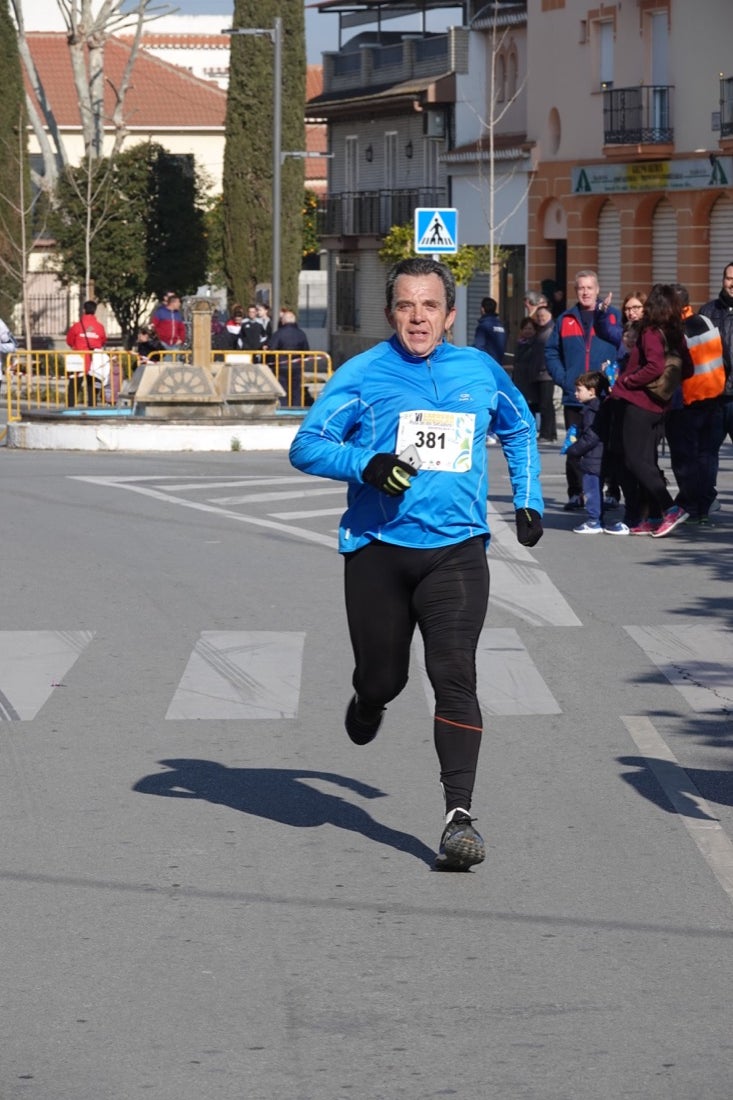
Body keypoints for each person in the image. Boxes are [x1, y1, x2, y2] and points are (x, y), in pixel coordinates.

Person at [289, 257, 544, 872]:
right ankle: (368, 699)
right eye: (406, 305)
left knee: (454, 674)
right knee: (386, 678)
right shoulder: (363, 372)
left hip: (457, 551)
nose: (418, 317)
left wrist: (529, 500)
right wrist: (365, 465)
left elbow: (521, 428)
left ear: (450, 315)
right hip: (378, 549)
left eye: (430, 306)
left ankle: (460, 817)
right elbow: (306, 445)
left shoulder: (478, 368)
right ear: (391, 314)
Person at [606, 283, 692, 538]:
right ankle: (654, 516)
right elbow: (688, 369)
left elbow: (654, 367)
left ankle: (669, 508)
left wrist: (627, 381)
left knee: (635, 461)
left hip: (639, 403)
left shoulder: (651, 331)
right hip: (660, 405)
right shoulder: (676, 332)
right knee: (648, 462)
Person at [545, 270, 621, 511]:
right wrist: (565, 379)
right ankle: (576, 492)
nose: (585, 292)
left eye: (589, 287)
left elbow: (624, 348)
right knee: (574, 444)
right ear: (575, 291)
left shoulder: (612, 316)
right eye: (581, 288)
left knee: (608, 444)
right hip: (574, 396)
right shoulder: (566, 319)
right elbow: (551, 352)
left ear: (597, 290)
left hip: (605, 396)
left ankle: (611, 491)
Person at [664, 284, 725, 526]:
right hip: (714, 398)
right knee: (705, 456)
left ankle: (690, 503)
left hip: (689, 402)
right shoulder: (706, 321)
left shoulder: (677, 331)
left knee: (685, 458)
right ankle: (703, 504)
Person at [699, 262, 733, 509]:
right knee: (706, 451)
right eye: (729, 278)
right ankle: (706, 498)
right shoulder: (708, 311)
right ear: (723, 280)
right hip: (714, 395)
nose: (732, 284)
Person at [565, 370, 611, 533]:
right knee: (595, 489)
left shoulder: (592, 411)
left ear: (592, 391)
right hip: (598, 457)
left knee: (591, 490)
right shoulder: (596, 407)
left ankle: (594, 521)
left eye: (579, 390)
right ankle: (598, 519)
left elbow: (591, 436)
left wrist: (574, 449)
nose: (576, 394)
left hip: (593, 458)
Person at [65, 299, 106, 407]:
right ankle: (92, 407)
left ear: (84, 310)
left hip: (78, 360)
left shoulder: (76, 326)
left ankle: (70, 408)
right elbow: (102, 341)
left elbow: (69, 341)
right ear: (95, 311)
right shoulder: (100, 327)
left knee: (74, 386)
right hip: (94, 361)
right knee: (92, 386)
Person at [268, 309, 310, 405]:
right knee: (296, 389)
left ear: (283, 321)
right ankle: (297, 408)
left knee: (282, 389)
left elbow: (271, 349)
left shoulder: (279, 333)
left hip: (281, 367)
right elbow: (306, 351)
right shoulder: (301, 334)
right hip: (297, 367)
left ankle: (283, 408)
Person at [532, 298, 557, 441]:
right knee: (547, 404)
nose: (541, 319)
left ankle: (546, 434)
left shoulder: (549, 331)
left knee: (545, 404)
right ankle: (551, 432)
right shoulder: (541, 330)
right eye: (539, 317)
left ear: (550, 317)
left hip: (546, 372)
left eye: (543, 316)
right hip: (541, 372)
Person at [510, 316, 540, 416]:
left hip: (530, 381)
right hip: (519, 380)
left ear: (535, 330)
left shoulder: (537, 344)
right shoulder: (519, 343)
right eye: (525, 328)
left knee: (530, 409)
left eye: (530, 328)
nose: (528, 331)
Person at [473, 296, 507, 365]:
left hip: (487, 365)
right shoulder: (501, 326)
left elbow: (479, 347)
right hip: (498, 365)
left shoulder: (483, 326)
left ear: (483, 309)